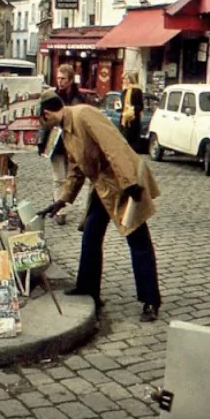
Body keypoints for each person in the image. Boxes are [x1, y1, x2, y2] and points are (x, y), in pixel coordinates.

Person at [36, 90, 162, 322]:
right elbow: (75, 170)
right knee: (91, 234)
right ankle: (88, 287)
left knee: (138, 240)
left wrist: (130, 183)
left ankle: (150, 300)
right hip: (102, 187)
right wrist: (61, 200)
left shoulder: (84, 114)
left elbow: (114, 146)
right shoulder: (66, 131)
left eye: (43, 122)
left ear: (46, 114)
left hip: (123, 183)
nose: (45, 127)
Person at [38, 65, 85, 226]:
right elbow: (44, 121)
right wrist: (42, 143)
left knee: (70, 176)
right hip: (56, 143)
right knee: (59, 178)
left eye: (63, 78)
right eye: (58, 78)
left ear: (71, 80)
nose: (60, 81)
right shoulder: (51, 96)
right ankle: (60, 210)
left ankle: (60, 200)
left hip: (72, 143)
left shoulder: (78, 98)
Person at [120, 71, 144, 150]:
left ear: (131, 79)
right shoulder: (124, 91)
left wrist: (132, 108)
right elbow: (122, 105)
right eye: (124, 79)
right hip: (124, 120)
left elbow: (140, 106)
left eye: (126, 79)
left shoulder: (137, 91)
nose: (125, 81)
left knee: (132, 144)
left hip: (133, 120)